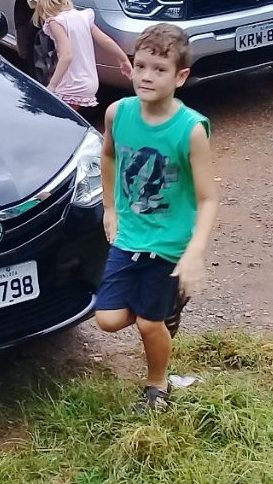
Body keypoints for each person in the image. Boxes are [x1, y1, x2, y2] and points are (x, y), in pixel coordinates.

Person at [94, 24, 218, 412]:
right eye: (140, 65)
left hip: (169, 242)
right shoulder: (118, 113)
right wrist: (110, 208)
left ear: (180, 77)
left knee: (149, 324)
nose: (146, 76)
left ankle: (157, 386)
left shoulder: (190, 130)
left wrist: (194, 253)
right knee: (107, 319)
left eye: (159, 69)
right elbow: (110, 156)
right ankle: (167, 306)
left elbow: (208, 198)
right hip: (130, 236)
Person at [28, 0, 132, 110]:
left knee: (58, 116)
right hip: (90, 81)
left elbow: (67, 54)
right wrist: (123, 59)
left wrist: (52, 85)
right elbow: (105, 40)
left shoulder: (55, 22)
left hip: (73, 82)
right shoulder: (83, 16)